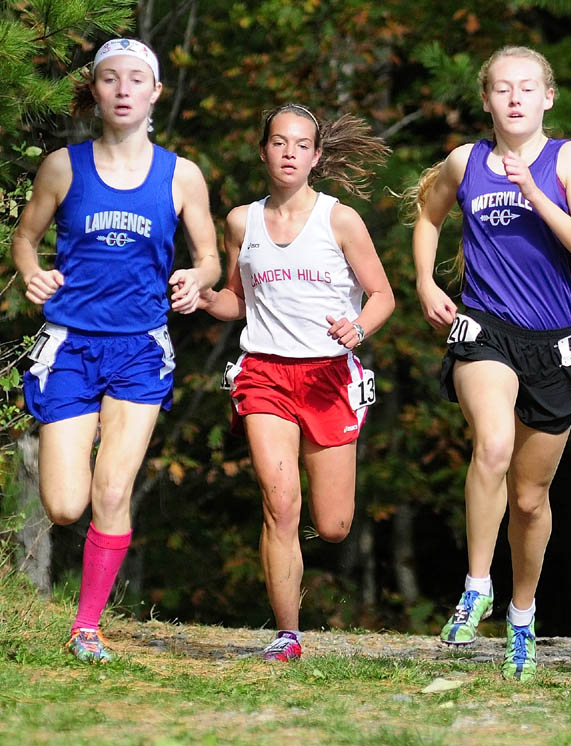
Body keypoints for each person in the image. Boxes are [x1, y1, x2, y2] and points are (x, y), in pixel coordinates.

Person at [11, 38, 221, 663]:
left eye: (136, 79)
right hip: (70, 347)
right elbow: (26, 238)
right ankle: (86, 618)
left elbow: (211, 257)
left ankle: (86, 627)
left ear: (155, 92)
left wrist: (196, 279)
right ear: (96, 92)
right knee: (65, 503)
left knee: (112, 490)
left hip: (139, 350)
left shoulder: (181, 174)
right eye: (110, 79)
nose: (124, 89)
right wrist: (32, 272)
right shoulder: (62, 167)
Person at [411, 45, 571, 681]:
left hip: (554, 341)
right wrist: (422, 279)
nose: (516, 97)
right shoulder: (465, 160)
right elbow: (427, 212)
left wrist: (534, 192)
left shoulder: (569, 158)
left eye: (528, 87)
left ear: (548, 97)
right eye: (503, 88)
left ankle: (522, 614)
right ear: (488, 99)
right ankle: (476, 585)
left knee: (530, 498)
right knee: (491, 446)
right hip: (484, 329)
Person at [198, 104, 394, 662]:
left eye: (301, 144)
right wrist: (208, 298)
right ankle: (288, 636)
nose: (289, 153)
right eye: (279, 143)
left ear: (316, 156)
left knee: (332, 525)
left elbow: (383, 295)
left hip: (329, 375)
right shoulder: (242, 221)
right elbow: (238, 300)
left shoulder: (341, 220)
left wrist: (357, 327)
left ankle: (306, 579)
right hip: (264, 373)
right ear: (263, 151)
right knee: (280, 503)